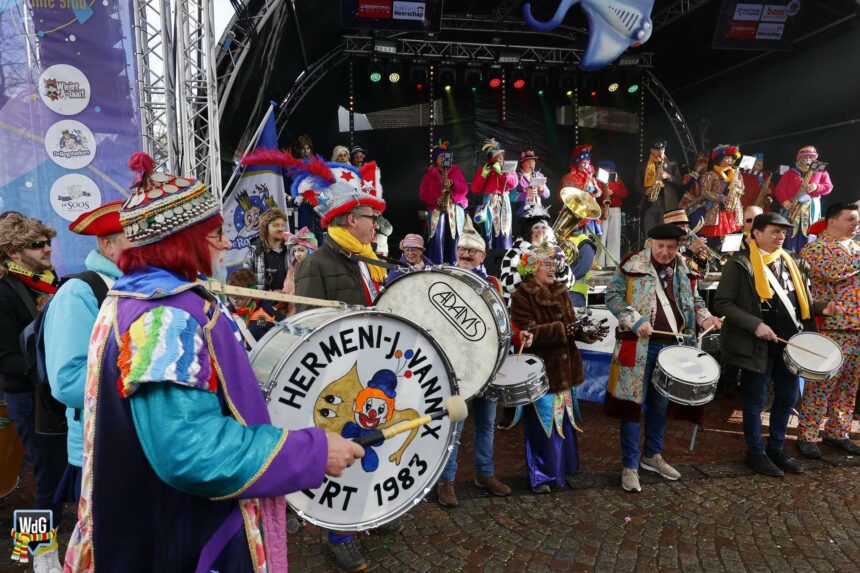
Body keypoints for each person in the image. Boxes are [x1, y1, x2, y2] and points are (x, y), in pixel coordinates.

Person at [62, 153, 362, 572]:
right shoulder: (164, 317)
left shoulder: (142, 298)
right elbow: (190, 451)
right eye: (215, 233)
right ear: (181, 242)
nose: (225, 243)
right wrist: (311, 452)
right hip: (185, 535)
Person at [290, 156, 394, 572]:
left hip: (367, 372)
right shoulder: (317, 263)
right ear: (350, 219)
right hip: (338, 380)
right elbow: (304, 328)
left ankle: (370, 511)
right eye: (371, 217)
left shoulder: (362, 259)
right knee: (341, 457)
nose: (376, 225)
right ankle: (339, 533)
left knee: (371, 446)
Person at [713, 213, 840, 478]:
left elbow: (800, 300)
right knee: (755, 401)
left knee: (786, 398)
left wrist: (821, 307)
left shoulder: (791, 261)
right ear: (756, 233)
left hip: (791, 345)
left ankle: (777, 449)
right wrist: (754, 324)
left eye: (783, 233)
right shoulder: (739, 264)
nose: (781, 237)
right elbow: (723, 304)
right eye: (774, 232)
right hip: (756, 346)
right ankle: (755, 453)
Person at [605, 223, 721, 493]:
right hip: (639, 347)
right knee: (632, 407)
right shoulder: (632, 264)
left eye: (671, 247)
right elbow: (613, 296)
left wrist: (706, 318)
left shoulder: (683, 267)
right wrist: (634, 320)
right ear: (651, 243)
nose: (666, 252)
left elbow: (694, 301)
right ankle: (630, 465)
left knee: (660, 407)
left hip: (673, 350)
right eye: (661, 246)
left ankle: (652, 456)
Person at [44, 201, 129, 504]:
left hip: (132, 445)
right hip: (98, 445)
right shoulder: (80, 292)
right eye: (137, 237)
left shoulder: (136, 289)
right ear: (108, 245)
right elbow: (68, 381)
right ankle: (37, 548)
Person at [510, 242, 604, 492]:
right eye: (547, 264)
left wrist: (587, 333)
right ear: (532, 268)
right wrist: (562, 330)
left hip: (565, 369)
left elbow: (571, 328)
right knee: (544, 424)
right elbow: (525, 332)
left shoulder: (562, 291)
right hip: (542, 371)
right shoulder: (521, 295)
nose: (554, 268)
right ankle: (543, 476)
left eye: (555, 263)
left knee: (564, 420)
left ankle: (562, 469)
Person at [436, 219, 512, 507]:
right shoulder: (444, 277)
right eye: (462, 249)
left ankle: (485, 474)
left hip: (487, 366)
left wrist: (517, 335)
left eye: (472, 251)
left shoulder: (492, 283)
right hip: (455, 367)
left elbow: (502, 323)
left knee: (486, 424)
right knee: (454, 426)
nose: (466, 254)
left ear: (482, 256)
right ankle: (447, 481)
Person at [0, 214, 67, 519]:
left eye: (48, 242)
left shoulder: (50, 283)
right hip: (29, 398)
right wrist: (52, 358)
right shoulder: (4, 291)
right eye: (37, 244)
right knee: (48, 480)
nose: (48, 249)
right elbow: (6, 361)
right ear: (13, 253)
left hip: (57, 392)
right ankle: (37, 550)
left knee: (68, 475)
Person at [796, 203, 860, 458]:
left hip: (856, 326)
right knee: (821, 384)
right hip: (832, 328)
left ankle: (837, 432)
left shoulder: (855, 248)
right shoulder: (816, 247)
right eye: (850, 219)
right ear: (831, 221)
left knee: (848, 386)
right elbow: (835, 272)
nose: (856, 224)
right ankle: (808, 435)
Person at [499, 203, 572, 306]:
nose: (540, 231)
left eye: (543, 227)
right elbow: (506, 285)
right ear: (528, 231)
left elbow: (568, 285)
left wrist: (562, 270)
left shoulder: (556, 251)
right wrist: (526, 268)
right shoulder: (514, 253)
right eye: (536, 227)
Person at [773, 146, 834, 252]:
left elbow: (829, 187)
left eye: (811, 157)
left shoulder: (821, 171)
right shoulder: (790, 173)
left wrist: (816, 187)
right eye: (805, 157)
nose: (808, 159)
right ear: (799, 159)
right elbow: (779, 190)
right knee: (791, 233)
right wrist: (786, 202)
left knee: (809, 233)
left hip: (811, 209)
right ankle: (791, 257)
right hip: (793, 208)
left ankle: (808, 257)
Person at [419, 141, 468, 264]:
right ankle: (436, 264)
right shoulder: (429, 174)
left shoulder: (455, 171)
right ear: (435, 159)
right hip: (436, 209)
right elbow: (423, 195)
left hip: (454, 209)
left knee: (455, 236)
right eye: (441, 156)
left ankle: (455, 263)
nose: (444, 159)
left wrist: (453, 184)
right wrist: (436, 199)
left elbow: (464, 190)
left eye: (446, 156)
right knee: (437, 237)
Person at [472, 138, 519, 250]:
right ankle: (488, 258)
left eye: (502, 155)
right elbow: (475, 188)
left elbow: (514, 184)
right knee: (489, 232)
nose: (501, 158)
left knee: (504, 232)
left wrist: (503, 173)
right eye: (497, 156)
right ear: (491, 158)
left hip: (504, 201)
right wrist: (483, 175)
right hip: (488, 202)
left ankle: (503, 258)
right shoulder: (483, 169)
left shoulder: (508, 167)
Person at [636, 141, 683, 239]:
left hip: (668, 204)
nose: (661, 152)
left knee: (667, 235)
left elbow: (680, 181)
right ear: (651, 150)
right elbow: (636, 184)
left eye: (662, 149)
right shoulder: (643, 164)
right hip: (650, 204)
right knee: (650, 234)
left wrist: (669, 176)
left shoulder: (671, 162)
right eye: (657, 150)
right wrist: (644, 190)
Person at [698, 144, 744, 244]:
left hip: (733, 210)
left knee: (732, 242)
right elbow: (705, 191)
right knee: (715, 242)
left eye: (732, 158)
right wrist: (719, 197)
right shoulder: (710, 174)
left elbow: (742, 189)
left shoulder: (736, 173)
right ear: (719, 159)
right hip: (718, 211)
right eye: (727, 158)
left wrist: (738, 186)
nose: (730, 161)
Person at [226, 268, 282, 342]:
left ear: (252, 292)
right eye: (231, 294)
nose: (234, 299)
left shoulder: (269, 313)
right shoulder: (225, 315)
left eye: (240, 295)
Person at [560, 144, 603, 238]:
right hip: (577, 215)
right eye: (584, 163)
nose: (586, 165)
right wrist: (587, 181)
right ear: (577, 163)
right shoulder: (569, 177)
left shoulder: (591, 178)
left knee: (592, 242)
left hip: (590, 213)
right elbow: (568, 196)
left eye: (588, 163)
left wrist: (595, 187)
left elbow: (599, 194)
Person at [243, 207, 289, 291]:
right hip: (262, 302)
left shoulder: (291, 250)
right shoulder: (254, 253)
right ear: (265, 228)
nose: (281, 229)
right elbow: (246, 284)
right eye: (275, 225)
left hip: (290, 301)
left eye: (283, 225)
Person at [595, 160, 628, 266]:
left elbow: (625, 193)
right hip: (602, 208)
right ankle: (599, 263)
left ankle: (613, 263)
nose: (607, 171)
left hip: (615, 209)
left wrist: (613, 192)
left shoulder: (617, 179)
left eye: (609, 170)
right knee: (601, 236)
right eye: (604, 169)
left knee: (614, 237)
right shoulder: (597, 180)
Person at [280, 226, 318, 316]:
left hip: (310, 314)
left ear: (310, 250)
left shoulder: (316, 269)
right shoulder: (291, 271)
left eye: (301, 250)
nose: (297, 254)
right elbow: (286, 292)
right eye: (294, 251)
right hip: (292, 315)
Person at [510, 149, 550, 215]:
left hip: (538, 213)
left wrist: (541, 189)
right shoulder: (516, 177)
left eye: (533, 161)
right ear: (522, 164)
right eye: (528, 162)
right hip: (523, 214)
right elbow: (511, 197)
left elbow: (548, 195)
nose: (531, 164)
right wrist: (526, 194)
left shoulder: (538, 176)